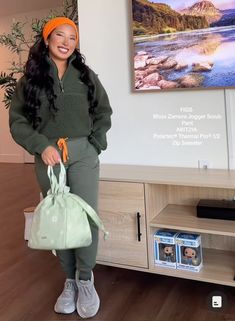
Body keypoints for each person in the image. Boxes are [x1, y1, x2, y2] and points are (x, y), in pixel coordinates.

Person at [9, 16, 112, 318]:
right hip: (49, 156)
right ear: (47, 39)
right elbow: (18, 122)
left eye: (72, 37)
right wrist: (41, 146)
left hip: (82, 153)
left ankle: (85, 279)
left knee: (85, 216)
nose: (66, 42)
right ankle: (69, 280)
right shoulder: (29, 82)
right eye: (60, 36)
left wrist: (94, 144)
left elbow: (103, 111)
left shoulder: (86, 75)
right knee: (59, 219)